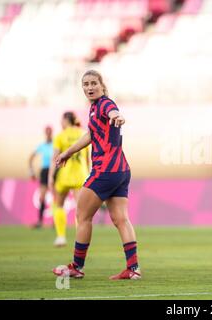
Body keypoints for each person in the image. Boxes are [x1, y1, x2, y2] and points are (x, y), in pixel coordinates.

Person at [52, 70, 141, 280]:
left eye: (94, 83)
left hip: (105, 170)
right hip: (121, 171)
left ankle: (77, 266)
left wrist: (117, 117)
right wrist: (68, 152)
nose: (90, 87)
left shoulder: (104, 104)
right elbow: (91, 134)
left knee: (82, 216)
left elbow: (113, 112)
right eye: (86, 84)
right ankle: (133, 268)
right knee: (121, 219)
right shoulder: (94, 108)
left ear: (102, 85)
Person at [49, 112, 89, 247]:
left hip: (64, 176)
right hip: (81, 175)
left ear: (66, 120)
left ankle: (61, 237)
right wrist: (89, 173)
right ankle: (80, 239)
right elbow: (88, 157)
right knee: (81, 209)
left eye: (62, 120)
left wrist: (50, 176)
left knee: (59, 205)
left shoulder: (60, 136)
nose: (61, 122)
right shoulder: (83, 133)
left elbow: (54, 158)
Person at [28, 126, 53, 229]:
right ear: (45, 133)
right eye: (47, 132)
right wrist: (31, 171)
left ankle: (56, 222)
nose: (48, 134)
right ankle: (40, 221)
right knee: (42, 197)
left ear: (51, 133)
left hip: (54, 170)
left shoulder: (56, 143)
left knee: (56, 196)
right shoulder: (41, 146)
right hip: (45, 171)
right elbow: (31, 157)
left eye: (49, 132)